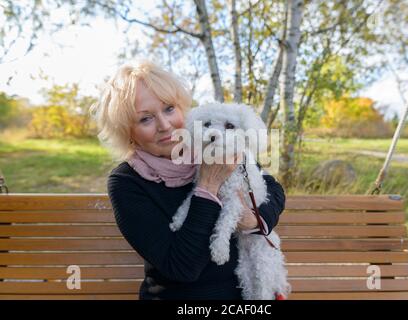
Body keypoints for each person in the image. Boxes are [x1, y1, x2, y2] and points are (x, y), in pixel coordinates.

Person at [90, 60, 286, 300]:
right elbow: (182, 268)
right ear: (127, 133)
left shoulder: (217, 145)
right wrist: (208, 185)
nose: (165, 126)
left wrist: (254, 220)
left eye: (169, 108)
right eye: (145, 119)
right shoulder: (126, 182)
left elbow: (274, 190)